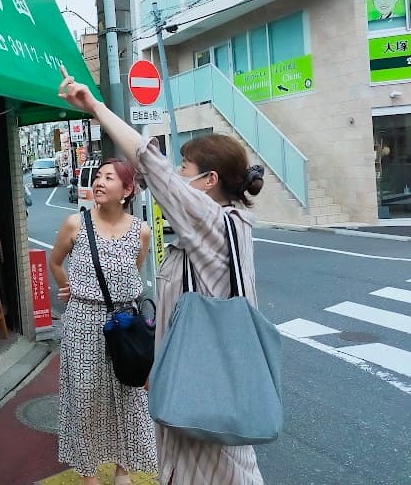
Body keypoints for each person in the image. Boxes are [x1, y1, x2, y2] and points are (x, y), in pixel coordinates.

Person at [57, 66, 266, 485]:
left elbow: (149, 163)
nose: (175, 178)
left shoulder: (210, 222)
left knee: (210, 469)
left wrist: (95, 105)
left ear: (208, 182)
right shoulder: (231, 226)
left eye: (184, 170)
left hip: (201, 388)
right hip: (205, 380)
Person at [49, 158, 157, 485]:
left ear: (126, 190)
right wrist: (70, 288)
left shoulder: (142, 231)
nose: (99, 182)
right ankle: (89, 474)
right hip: (82, 322)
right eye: (97, 177)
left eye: (108, 178)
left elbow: (132, 273)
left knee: (127, 395)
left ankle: (123, 470)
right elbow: (55, 262)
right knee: (85, 400)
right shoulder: (75, 224)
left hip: (123, 323)